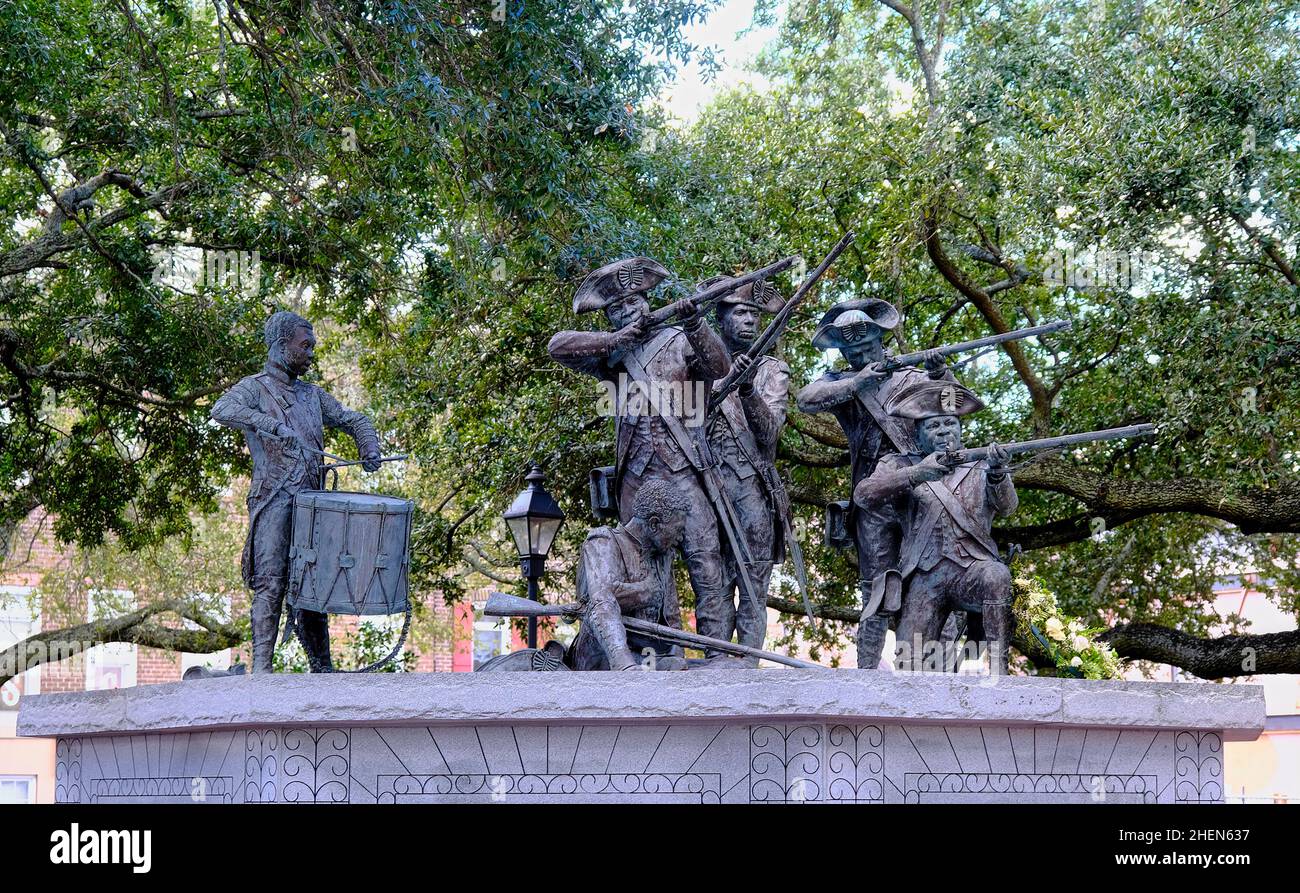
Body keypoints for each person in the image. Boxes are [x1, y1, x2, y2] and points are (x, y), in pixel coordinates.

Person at [548, 258, 737, 656]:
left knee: (706, 564)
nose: (625, 312)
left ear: (646, 301)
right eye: (615, 309)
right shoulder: (611, 354)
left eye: (631, 303)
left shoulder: (674, 340)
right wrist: (618, 340)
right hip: (635, 480)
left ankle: (719, 655)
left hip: (684, 472)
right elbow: (557, 346)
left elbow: (720, 367)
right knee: (645, 572)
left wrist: (695, 325)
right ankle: (661, 655)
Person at [210, 311, 381, 673]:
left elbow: (355, 419)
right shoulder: (256, 388)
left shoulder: (313, 396)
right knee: (270, 582)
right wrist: (268, 424)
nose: (311, 353)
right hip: (274, 499)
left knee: (314, 590)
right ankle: (261, 668)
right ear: (281, 345)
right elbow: (221, 409)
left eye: (312, 347)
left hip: (313, 507)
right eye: (305, 346)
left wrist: (369, 447)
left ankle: (323, 669)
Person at [795, 299, 949, 668]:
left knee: (934, 574)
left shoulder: (911, 376)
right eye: (852, 351)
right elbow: (805, 400)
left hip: (920, 490)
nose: (861, 354)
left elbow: (949, 409)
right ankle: (866, 670)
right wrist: (856, 382)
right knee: (875, 587)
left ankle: (934, 668)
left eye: (867, 347)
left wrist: (941, 374)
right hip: (873, 497)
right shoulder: (842, 381)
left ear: (882, 341)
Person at [852, 377, 1016, 675]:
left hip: (970, 571)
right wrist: (917, 473)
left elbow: (1007, 508)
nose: (944, 432)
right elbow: (864, 495)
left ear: (961, 428)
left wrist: (998, 475)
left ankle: (999, 670)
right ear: (919, 432)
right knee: (910, 664)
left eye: (950, 424)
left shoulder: (980, 464)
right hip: (924, 577)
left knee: (997, 575)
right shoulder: (899, 464)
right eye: (934, 426)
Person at [706, 277, 791, 656]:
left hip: (753, 492)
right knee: (712, 586)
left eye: (755, 315)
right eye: (740, 312)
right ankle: (714, 661)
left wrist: (747, 389)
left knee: (753, 589)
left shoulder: (773, 370)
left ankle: (747, 668)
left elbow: (770, 433)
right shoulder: (699, 366)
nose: (750, 321)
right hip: (706, 490)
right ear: (721, 319)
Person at [570, 479, 691, 671]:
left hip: (648, 658)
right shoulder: (603, 541)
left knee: (716, 666)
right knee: (603, 600)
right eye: (677, 530)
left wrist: (678, 660)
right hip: (602, 659)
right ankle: (623, 665)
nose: (681, 537)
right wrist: (644, 591)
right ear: (654, 524)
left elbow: (672, 618)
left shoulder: (663, 557)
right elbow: (603, 598)